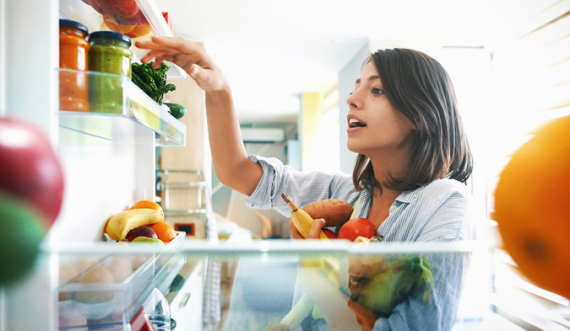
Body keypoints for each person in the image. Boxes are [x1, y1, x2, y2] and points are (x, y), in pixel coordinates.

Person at [136, 36, 474, 331]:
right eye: (356, 86)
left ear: (419, 114)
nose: (352, 98)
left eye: (376, 89)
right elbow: (237, 171)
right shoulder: (345, 194)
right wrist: (218, 88)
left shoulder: (446, 203)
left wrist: (315, 271)